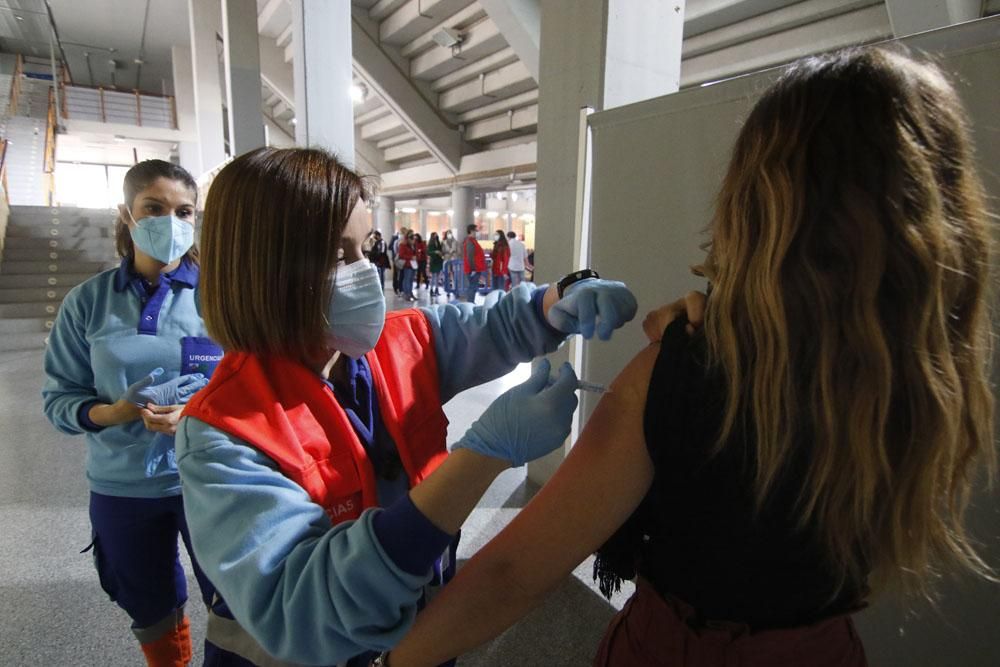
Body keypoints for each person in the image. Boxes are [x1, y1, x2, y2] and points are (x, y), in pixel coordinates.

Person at [384, 47, 996, 667]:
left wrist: (397, 661)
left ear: (765, 206)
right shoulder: (928, 373)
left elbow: (513, 572)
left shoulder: (692, 368)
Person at [174, 146, 638, 666]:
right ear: (263, 270)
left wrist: (562, 300)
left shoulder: (396, 346)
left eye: (365, 246)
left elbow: (493, 326)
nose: (366, 271)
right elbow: (305, 611)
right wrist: (483, 454)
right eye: (336, 255)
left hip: (422, 640)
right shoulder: (225, 434)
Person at [42, 160, 221, 666]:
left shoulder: (220, 297)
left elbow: (253, 389)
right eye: (154, 208)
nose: (171, 221)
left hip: (209, 478)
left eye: (183, 211)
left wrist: (196, 412)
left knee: (233, 598)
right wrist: (113, 413)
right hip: (122, 488)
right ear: (127, 215)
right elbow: (59, 399)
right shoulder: (88, 303)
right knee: (148, 605)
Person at [462, 224, 486, 302]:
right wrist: (473, 269)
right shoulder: (470, 241)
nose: (477, 233)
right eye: (476, 231)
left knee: (473, 287)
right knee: (472, 287)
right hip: (473, 269)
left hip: (475, 268)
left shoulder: (473, 241)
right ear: (471, 231)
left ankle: (471, 302)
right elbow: (470, 257)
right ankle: (470, 303)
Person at [398, 231, 418, 302]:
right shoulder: (402, 245)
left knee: (411, 280)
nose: (412, 240)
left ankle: (410, 293)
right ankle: (407, 294)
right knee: (406, 280)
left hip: (413, 265)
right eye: (411, 238)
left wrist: (416, 256)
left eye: (413, 238)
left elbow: (416, 253)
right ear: (407, 238)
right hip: (407, 265)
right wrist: (410, 257)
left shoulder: (414, 245)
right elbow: (401, 255)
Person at [441, 230, 459, 298]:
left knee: (455, 275)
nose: (449, 235)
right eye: (448, 234)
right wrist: (446, 253)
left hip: (454, 259)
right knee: (447, 275)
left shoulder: (455, 242)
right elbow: (442, 251)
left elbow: (458, 250)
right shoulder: (444, 242)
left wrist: (454, 253)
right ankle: (448, 290)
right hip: (447, 259)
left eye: (450, 233)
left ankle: (455, 290)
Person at [427, 231, 444, 297]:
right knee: (433, 276)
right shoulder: (430, 244)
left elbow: (440, 250)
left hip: (439, 261)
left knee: (437, 277)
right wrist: (435, 252)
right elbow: (428, 252)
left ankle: (437, 289)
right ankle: (431, 289)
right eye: (435, 235)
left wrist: (440, 253)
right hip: (434, 261)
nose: (436, 236)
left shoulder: (438, 243)